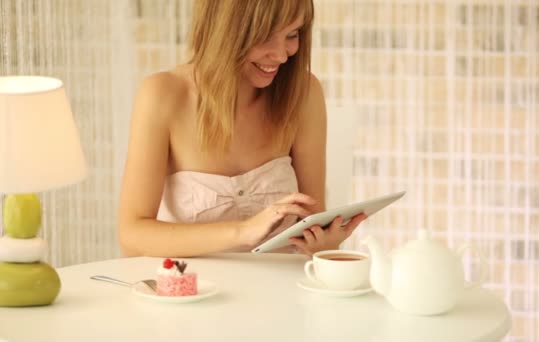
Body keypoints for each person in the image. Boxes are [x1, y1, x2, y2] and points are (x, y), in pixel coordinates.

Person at [118, 0, 367, 257]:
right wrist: (243, 231)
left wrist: (325, 244)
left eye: (292, 35)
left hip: (281, 290)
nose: (282, 55)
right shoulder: (163, 94)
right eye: (266, 37)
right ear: (225, 29)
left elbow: (314, 219)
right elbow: (132, 236)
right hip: (192, 289)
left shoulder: (302, 94)